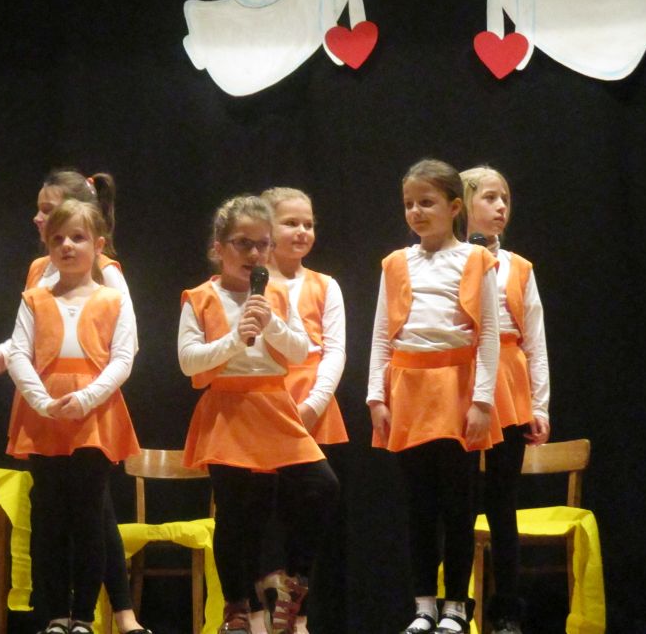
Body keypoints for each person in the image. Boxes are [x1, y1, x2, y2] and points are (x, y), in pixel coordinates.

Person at [0, 169, 151, 634]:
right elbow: (27, 346)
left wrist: (88, 396)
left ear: (96, 241)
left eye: (75, 235)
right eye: (55, 235)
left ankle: (88, 616)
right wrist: (37, 396)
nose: (64, 243)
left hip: (92, 410)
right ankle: (55, 613)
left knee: (91, 515)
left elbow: (123, 351)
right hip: (45, 411)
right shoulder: (36, 287)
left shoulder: (110, 288)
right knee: (49, 515)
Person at [179, 195, 339, 634]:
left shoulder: (277, 295)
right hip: (227, 407)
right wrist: (236, 337)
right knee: (236, 512)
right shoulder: (200, 298)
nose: (254, 253)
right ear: (218, 248)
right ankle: (238, 607)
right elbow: (189, 361)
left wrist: (270, 322)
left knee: (322, 486)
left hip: (273, 406)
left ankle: (294, 582)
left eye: (262, 244)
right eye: (242, 243)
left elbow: (301, 351)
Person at [367, 159, 501, 634]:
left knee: (458, 506)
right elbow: (381, 334)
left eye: (426, 202)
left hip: (457, 389)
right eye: (409, 204)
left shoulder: (476, 260)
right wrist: (376, 397)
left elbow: (488, 335)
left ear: (454, 207)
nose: (416, 212)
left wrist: (482, 401)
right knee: (418, 505)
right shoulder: (395, 263)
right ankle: (424, 604)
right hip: (409, 390)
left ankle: (456, 606)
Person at [253, 187, 348, 634]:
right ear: (267, 228)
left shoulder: (325, 285)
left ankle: (297, 605)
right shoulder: (252, 283)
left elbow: (335, 351)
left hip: (312, 403)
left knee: (311, 500)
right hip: (263, 402)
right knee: (260, 504)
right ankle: (257, 598)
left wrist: (313, 405)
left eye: (308, 223)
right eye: (291, 222)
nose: (302, 231)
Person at [461, 166, 551, 634]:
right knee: (455, 501)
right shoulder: (447, 260)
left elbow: (534, 339)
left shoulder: (519, 267)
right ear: (463, 203)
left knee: (502, 502)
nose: (500, 207)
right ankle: (451, 608)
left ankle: (507, 612)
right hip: (458, 380)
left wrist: (540, 405)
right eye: (489, 198)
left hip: (508, 384)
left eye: (505, 199)